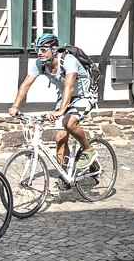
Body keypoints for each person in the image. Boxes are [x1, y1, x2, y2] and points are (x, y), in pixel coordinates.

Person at [7, 33, 97, 192]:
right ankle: (64, 177)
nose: (39, 53)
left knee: (69, 123)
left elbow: (69, 86)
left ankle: (89, 150)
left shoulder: (68, 60)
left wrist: (61, 110)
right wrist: (15, 106)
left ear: (54, 49)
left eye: (43, 49)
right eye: (37, 49)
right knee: (60, 137)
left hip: (84, 96)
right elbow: (26, 84)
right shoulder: (40, 63)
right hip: (65, 98)